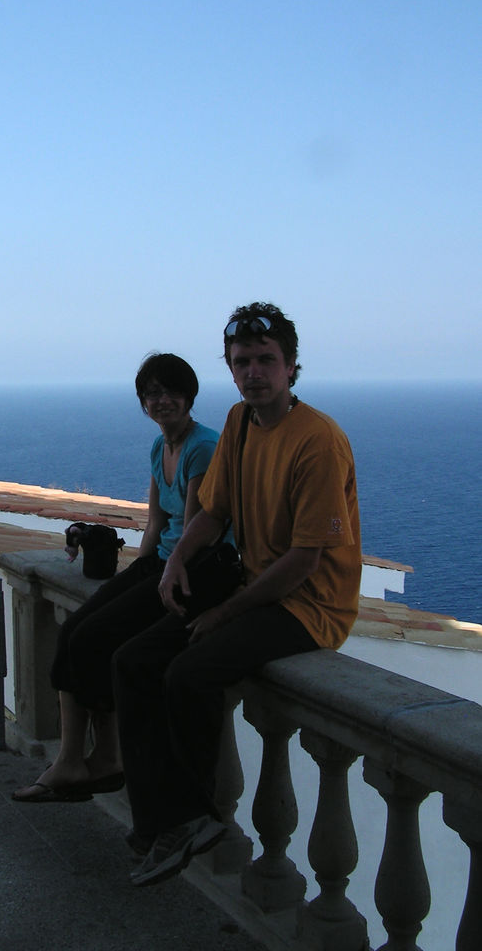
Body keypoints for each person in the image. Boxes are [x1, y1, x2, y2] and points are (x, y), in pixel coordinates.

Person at [112, 302, 362, 886]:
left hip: (308, 607)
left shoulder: (318, 441)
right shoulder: (240, 422)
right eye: (242, 361)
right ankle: (159, 823)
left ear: (292, 367)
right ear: (229, 368)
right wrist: (177, 558)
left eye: (266, 360)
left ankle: (195, 816)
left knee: (188, 673)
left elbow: (304, 561)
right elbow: (215, 509)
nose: (254, 372)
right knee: (132, 661)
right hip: (255, 587)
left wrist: (224, 611)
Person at [12, 353, 220, 802]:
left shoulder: (202, 447)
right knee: (73, 632)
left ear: (190, 396)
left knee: (92, 639)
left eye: (171, 392)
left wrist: (150, 580)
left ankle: (93, 760)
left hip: (188, 570)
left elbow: (198, 527)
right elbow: (155, 522)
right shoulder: (159, 446)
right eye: (152, 393)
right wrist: (133, 576)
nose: (162, 401)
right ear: (142, 401)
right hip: (158, 563)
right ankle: (83, 759)